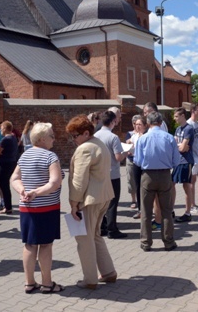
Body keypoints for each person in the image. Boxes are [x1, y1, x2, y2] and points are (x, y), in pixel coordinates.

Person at [10, 122, 64, 294]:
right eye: (51, 136)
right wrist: (37, 192)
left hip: (27, 208)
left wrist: (23, 191)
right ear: (42, 139)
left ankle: (29, 282)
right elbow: (55, 182)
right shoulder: (50, 156)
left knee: (29, 245)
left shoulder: (24, 155)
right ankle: (47, 283)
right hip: (46, 208)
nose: (54, 139)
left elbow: (14, 178)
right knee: (46, 245)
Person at [67, 115, 117, 290]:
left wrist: (73, 204)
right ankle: (108, 272)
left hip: (90, 200)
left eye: (75, 135)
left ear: (86, 132)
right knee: (95, 235)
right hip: (103, 196)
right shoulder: (98, 143)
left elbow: (79, 181)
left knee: (84, 240)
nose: (73, 139)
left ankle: (90, 279)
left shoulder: (85, 149)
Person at [133, 111, 182, 252]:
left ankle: (146, 243)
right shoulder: (169, 138)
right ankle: (168, 241)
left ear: (148, 123)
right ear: (161, 123)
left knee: (146, 211)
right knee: (166, 210)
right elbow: (176, 160)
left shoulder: (143, 139)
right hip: (165, 175)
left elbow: (137, 160)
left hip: (147, 175)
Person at [95, 110, 128, 239]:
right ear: (113, 122)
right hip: (112, 174)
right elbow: (118, 157)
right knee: (112, 202)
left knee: (101, 201)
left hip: (99, 173)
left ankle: (101, 227)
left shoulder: (96, 135)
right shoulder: (113, 137)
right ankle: (112, 229)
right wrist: (127, 152)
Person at [173, 107, 194, 223]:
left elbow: (183, 147)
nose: (174, 118)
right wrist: (180, 146)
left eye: (176, 116)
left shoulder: (188, 129)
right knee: (171, 184)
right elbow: (177, 146)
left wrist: (180, 146)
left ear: (182, 116)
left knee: (186, 186)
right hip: (177, 161)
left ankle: (187, 213)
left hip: (186, 161)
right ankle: (171, 210)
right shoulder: (177, 129)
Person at [125, 115, 145, 219]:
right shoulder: (134, 135)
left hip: (144, 165)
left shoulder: (145, 136)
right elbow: (131, 147)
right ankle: (140, 210)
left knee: (145, 188)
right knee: (137, 187)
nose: (137, 126)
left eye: (139, 124)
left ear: (144, 126)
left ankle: (147, 210)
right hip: (136, 163)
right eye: (136, 124)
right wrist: (129, 145)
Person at [0, 121, 19, 214]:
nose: (0, 130)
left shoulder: (5, 139)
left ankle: (7, 207)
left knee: (4, 186)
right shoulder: (13, 138)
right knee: (6, 186)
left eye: (1, 128)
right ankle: (8, 206)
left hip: (3, 164)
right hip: (12, 163)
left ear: (5, 129)